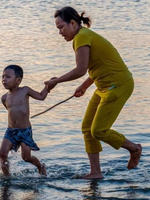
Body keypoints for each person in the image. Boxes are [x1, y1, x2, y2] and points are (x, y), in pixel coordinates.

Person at [45, 6, 142, 179]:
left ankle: (134, 148)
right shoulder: (83, 36)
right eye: (57, 29)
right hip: (104, 85)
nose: (60, 32)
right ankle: (95, 172)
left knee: (99, 130)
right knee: (87, 129)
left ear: (73, 23)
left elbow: (81, 69)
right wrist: (84, 86)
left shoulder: (81, 37)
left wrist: (56, 81)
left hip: (118, 85)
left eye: (61, 27)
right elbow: (96, 66)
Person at [0, 64, 48, 177]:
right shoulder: (4, 97)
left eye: (7, 77)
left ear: (18, 80)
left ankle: (40, 167)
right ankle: (7, 177)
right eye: (2, 77)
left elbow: (41, 96)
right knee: (2, 153)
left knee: (26, 157)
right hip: (10, 131)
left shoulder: (25, 90)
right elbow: (11, 112)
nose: (4, 80)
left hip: (24, 131)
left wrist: (48, 86)